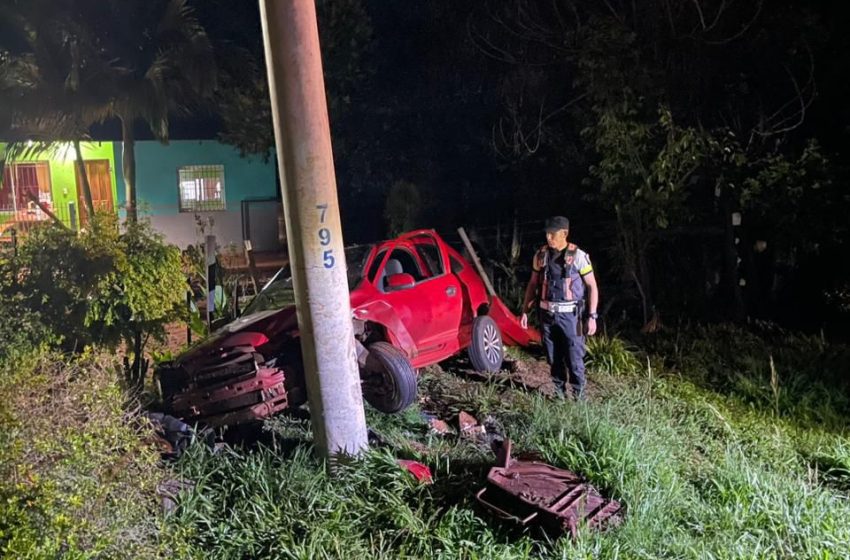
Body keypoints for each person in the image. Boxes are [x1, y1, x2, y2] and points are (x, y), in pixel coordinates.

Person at [520, 216, 599, 399]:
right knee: (553, 357)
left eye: (552, 234)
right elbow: (532, 285)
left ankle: (579, 398)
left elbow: (592, 286)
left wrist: (592, 316)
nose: (549, 237)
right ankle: (559, 395)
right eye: (547, 233)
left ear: (565, 233)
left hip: (571, 317)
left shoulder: (578, 257)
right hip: (547, 316)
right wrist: (525, 311)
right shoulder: (540, 256)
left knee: (574, 358)